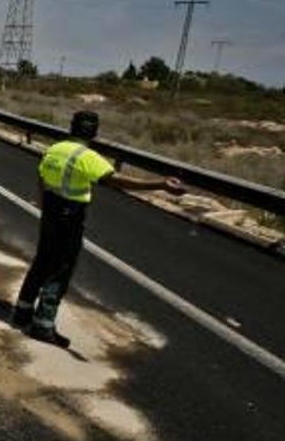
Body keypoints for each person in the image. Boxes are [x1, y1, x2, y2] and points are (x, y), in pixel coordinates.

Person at [12, 111, 185, 347]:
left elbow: (41, 175)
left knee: (42, 261)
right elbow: (117, 181)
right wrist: (159, 184)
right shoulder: (88, 157)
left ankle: (22, 312)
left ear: (72, 127)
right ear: (94, 132)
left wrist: (43, 203)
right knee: (61, 269)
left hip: (51, 211)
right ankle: (43, 325)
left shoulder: (55, 149)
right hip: (70, 216)